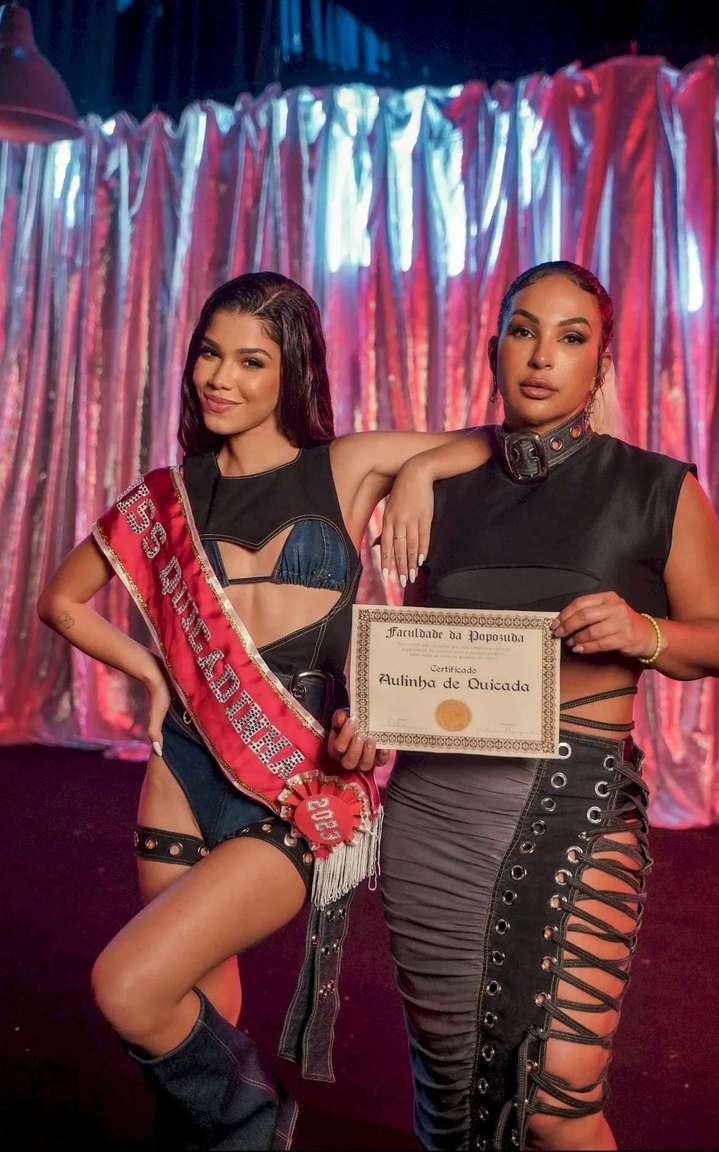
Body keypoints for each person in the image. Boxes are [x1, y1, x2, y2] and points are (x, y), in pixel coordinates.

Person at [37, 271, 488, 1151]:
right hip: (180, 777)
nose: (221, 377)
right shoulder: (167, 495)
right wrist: (152, 674)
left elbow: (490, 443)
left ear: (293, 373)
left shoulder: (345, 467)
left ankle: (259, 1125)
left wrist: (422, 472)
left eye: (251, 361)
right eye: (211, 354)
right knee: (191, 1021)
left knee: (131, 984)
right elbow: (60, 602)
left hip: (292, 787)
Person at [332, 260, 719, 1151]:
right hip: (434, 809)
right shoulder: (440, 489)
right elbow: (418, 661)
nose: (542, 356)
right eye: (523, 331)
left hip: (574, 804)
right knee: (453, 1097)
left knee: (558, 1104)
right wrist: (368, 714)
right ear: (494, 348)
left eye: (571, 337)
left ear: (602, 362)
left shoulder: (655, 486)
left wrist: (645, 632)